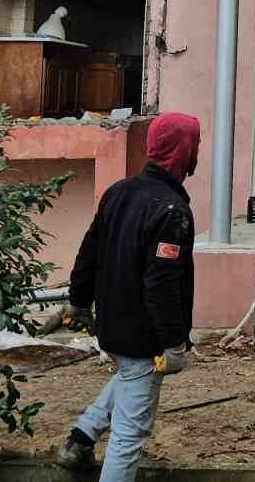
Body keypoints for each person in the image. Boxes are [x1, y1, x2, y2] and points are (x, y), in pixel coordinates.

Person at [56, 112, 200, 479]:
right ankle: (85, 442)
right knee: (129, 435)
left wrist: (78, 302)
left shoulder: (119, 192)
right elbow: (162, 285)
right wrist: (173, 343)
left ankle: (81, 438)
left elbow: (89, 250)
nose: (198, 150)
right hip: (144, 337)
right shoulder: (172, 211)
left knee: (131, 374)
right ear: (182, 151)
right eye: (195, 143)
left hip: (113, 326)